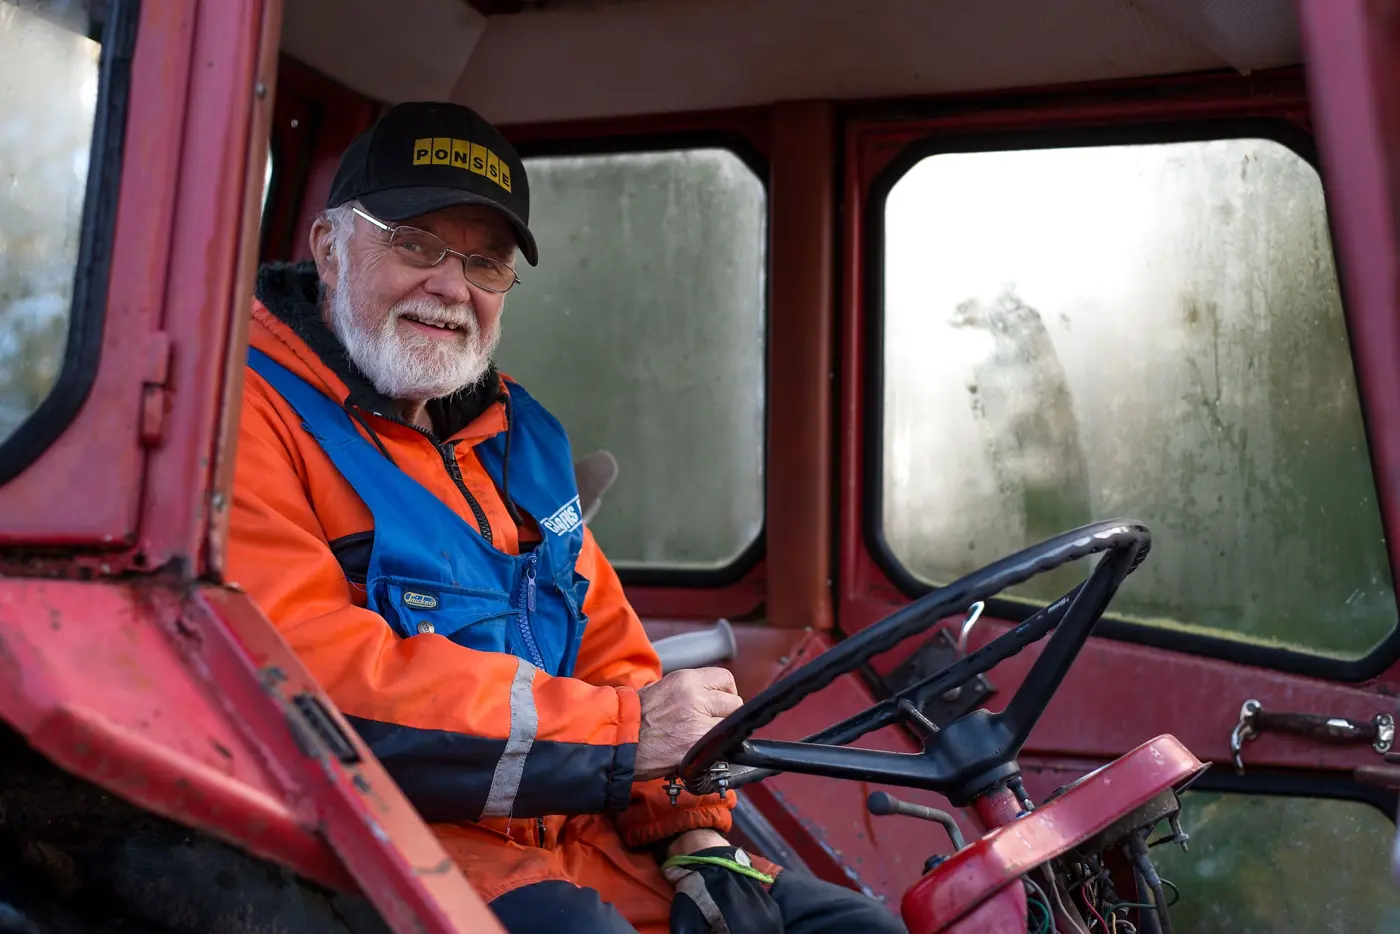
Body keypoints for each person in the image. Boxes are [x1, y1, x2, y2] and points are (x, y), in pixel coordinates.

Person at [228, 100, 905, 934]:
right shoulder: (244, 417)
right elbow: (307, 679)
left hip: (577, 840)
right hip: (386, 848)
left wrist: (689, 830)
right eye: (416, 243)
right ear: (330, 248)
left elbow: (614, 653)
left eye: (486, 262)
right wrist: (621, 736)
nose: (450, 286)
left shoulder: (523, 437)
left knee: (847, 928)